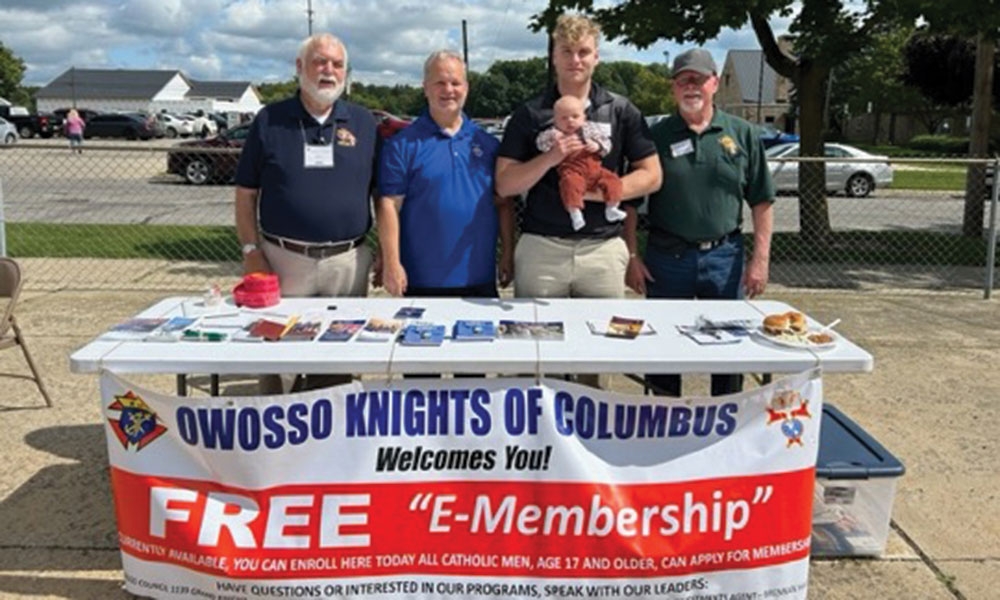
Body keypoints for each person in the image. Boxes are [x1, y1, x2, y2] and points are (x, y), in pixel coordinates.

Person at [234, 32, 378, 393]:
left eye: (338, 64)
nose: (329, 71)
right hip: (284, 259)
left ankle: (330, 432)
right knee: (277, 355)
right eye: (320, 62)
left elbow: (384, 197)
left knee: (339, 357)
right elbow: (245, 193)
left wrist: (388, 255)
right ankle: (273, 432)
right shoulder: (270, 120)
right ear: (300, 67)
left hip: (347, 262)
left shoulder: (363, 123)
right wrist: (251, 251)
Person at [496, 13, 661, 301]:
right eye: (566, 52)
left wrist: (601, 193)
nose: (576, 60)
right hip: (541, 248)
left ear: (596, 57)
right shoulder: (529, 114)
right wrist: (550, 158)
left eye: (583, 52)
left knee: (604, 340)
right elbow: (504, 184)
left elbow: (652, 175)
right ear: (553, 57)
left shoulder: (620, 110)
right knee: (538, 340)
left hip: (603, 248)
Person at [642, 48, 775, 397]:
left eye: (699, 79)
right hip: (666, 257)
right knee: (664, 348)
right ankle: (664, 419)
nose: (691, 87)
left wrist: (760, 259)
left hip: (724, 257)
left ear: (714, 83)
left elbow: (761, 200)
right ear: (673, 87)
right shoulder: (655, 137)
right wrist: (631, 256)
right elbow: (628, 205)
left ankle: (727, 420)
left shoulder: (742, 135)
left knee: (729, 349)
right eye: (683, 80)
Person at [377, 49, 514, 300]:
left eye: (455, 82)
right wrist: (391, 262)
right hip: (421, 278)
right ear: (425, 87)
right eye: (439, 82)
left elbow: (503, 204)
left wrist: (507, 253)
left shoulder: (488, 144)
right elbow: (388, 205)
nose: (448, 89)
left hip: (479, 276)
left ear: (466, 87)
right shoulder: (402, 144)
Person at [535, 95, 624, 231]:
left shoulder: (591, 130)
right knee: (569, 185)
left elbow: (607, 143)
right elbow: (540, 145)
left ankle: (612, 207)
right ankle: (575, 213)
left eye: (575, 116)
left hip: (596, 169)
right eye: (564, 118)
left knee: (613, 180)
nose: (570, 121)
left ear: (584, 117)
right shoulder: (553, 134)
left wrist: (597, 146)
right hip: (572, 170)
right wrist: (553, 141)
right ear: (555, 120)